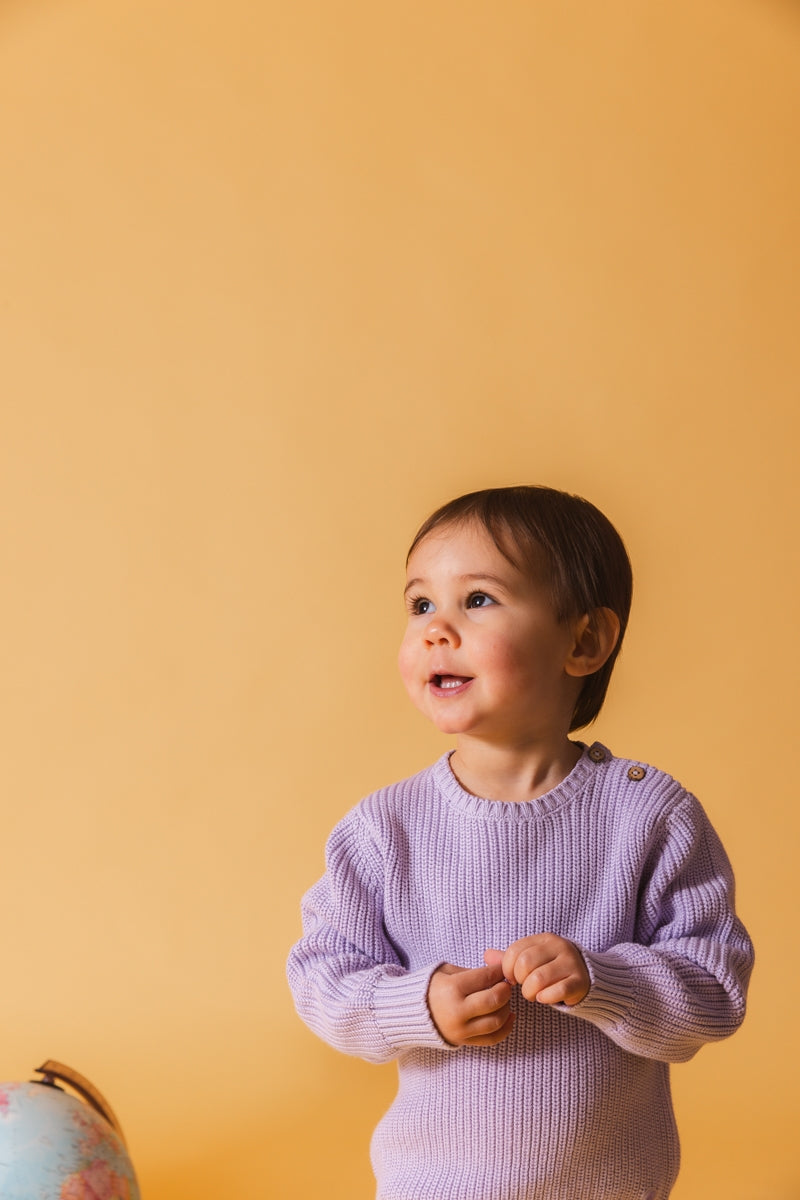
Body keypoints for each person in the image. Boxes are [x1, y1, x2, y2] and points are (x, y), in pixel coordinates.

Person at [286, 485, 754, 1200]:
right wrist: (421, 1005)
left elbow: (715, 993)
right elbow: (321, 979)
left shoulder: (648, 816)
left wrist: (603, 980)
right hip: (431, 1186)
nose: (437, 629)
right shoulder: (384, 830)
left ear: (584, 641)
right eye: (420, 605)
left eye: (477, 600)